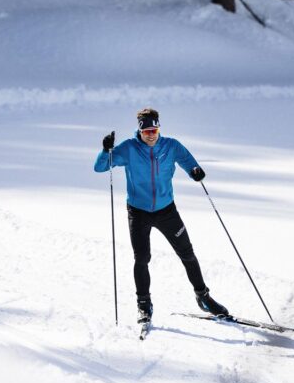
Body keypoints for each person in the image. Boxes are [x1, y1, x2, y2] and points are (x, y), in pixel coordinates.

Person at [94, 107, 230, 325]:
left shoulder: (171, 146)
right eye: (147, 131)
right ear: (140, 131)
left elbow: (189, 161)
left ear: (159, 129)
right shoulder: (129, 148)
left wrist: (195, 171)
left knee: (187, 254)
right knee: (142, 259)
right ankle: (144, 305)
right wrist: (105, 150)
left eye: (154, 131)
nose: (151, 135)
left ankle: (203, 297)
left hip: (167, 211)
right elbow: (100, 167)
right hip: (138, 212)